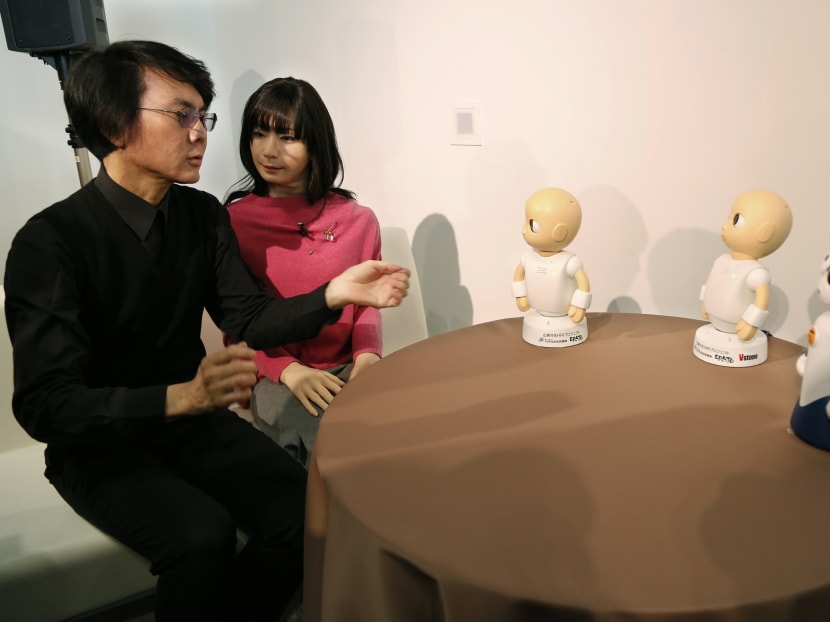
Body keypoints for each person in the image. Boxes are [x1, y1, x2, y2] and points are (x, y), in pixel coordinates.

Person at [2, 40, 408, 622]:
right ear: (116, 123)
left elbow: (246, 319)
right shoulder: (50, 242)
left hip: (192, 425)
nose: (201, 133)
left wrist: (334, 294)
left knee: (305, 512)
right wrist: (180, 396)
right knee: (201, 536)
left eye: (203, 115)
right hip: (100, 448)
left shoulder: (200, 215)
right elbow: (45, 405)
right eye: (181, 114)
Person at [225, 77, 381, 468]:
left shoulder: (358, 221)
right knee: (331, 447)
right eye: (258, 134)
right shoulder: (232, 224)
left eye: (288, 137)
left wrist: (368, 359)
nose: (268, 150)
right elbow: (238, 325)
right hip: (278, 376)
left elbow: (366, 306)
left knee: (396, 435)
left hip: (350, 370)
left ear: (316, 145)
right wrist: (288, 371)